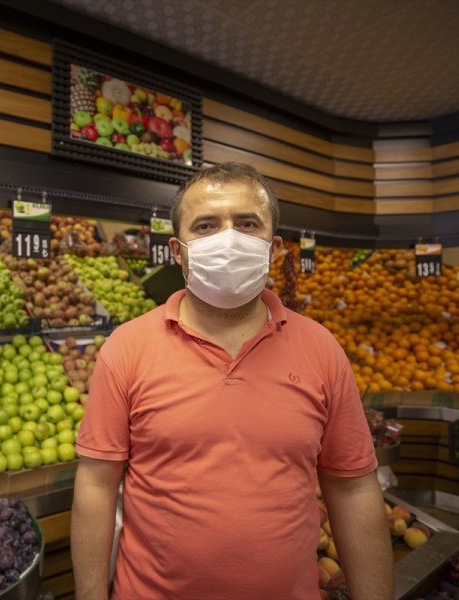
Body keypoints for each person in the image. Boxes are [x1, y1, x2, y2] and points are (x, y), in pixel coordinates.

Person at [71, 162, 393, 600]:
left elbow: (353, 487)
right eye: (205, 225)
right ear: (177, 251)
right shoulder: (125, 349)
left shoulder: (322, 350)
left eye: (246, 224)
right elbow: (96, 484)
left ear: (273, 247)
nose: (227, 240)